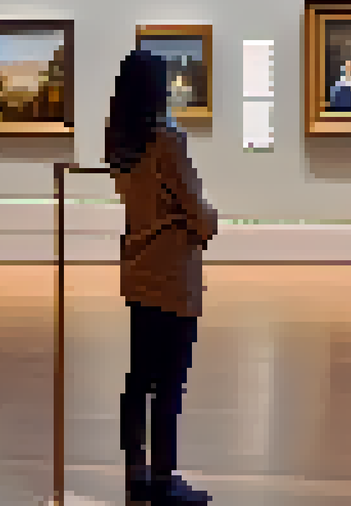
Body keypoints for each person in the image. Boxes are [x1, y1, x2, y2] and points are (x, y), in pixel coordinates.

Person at [107, 49, 218, 506]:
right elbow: (196, 211)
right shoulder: (166, 142)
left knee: (139, 377)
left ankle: (136, 473)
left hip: (138, 268)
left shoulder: (120, 142)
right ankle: (164, 479)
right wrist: (210, 222)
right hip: (172, 273)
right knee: (170, 382)